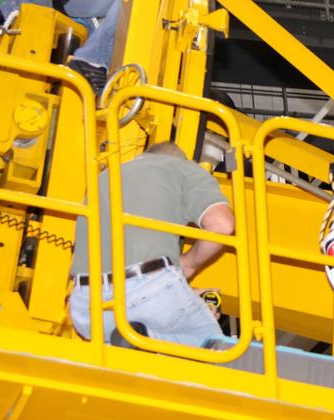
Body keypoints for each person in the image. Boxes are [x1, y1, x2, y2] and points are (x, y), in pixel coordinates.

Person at [68, 141, 235, 349]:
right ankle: (145, 337)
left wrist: (187, 296)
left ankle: (141, 338)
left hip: (87, 309)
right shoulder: (181, 168)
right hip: (146, 292)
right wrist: (188, 264)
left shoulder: (104, 178)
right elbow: (221, 225)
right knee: (216, 349)